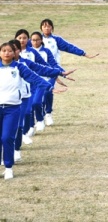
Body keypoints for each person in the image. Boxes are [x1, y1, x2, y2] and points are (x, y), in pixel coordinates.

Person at [0, 42, 53, 179]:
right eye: (3, 50)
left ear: (14, 53)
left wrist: (49, 87)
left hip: (12, 108)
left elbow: (34, 78)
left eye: (9, 51)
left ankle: (8, 167)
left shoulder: (19, 67)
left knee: (7, 137)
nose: (6, 53)